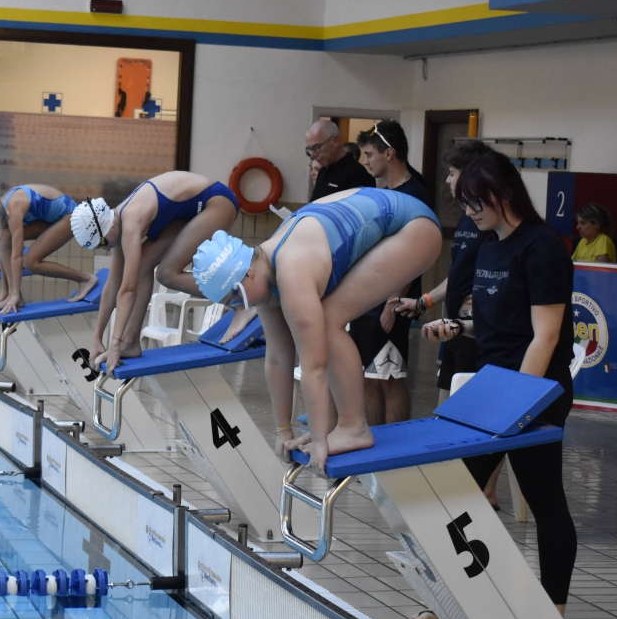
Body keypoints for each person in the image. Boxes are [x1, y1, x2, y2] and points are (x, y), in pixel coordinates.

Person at [420, 148, 577, 619]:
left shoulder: (542, 247)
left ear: (505, 194)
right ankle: (451, 601)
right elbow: (499, 325)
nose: (469, 213)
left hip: (535, 393)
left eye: (476, 202)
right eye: (464, 204)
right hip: (494, 388)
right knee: (456, 494)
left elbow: (545, 336)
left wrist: (518, 403)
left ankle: (553, 611)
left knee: (544, 497)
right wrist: (458, 328)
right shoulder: (489, 246)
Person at [191, 188, 440, 474]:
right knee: (325, 319)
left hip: (415, 228)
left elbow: (314, 366)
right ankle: (337, 426)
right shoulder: (264, 272)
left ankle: (353, 427)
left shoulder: (291, 269)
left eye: (236, 300)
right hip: (394, 222)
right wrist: (283, 430)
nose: (241, 307)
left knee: (328, 319)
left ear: (247, 273)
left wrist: (320, 441)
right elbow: (278, 358)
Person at [70, 171, 242, 376]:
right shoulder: (116, 224)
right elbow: (112, 286)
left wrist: (114, 344)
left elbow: (128, 290)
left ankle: (240, 299)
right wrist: (97, 338)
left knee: (166, 274)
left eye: (102, 243)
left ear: (109, 227)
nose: (105, 249)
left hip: (216, 202)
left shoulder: (130, 221)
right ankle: (130, 343)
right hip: (189, 211)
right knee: (144, 264)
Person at [345, 121, 432, 426]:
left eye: (369, 154)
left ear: (390, 154)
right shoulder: (383, 193)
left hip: (389, 304)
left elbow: (414, 256)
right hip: (368, 300)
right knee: (368, 378)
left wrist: (393, 302)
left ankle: (396, 447)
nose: (365, 161)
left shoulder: (414, 194)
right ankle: (373, 444)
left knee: (390, 378)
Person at [395, 140, 492, 406]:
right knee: (444, 406)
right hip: (454, 326)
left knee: (465, 409)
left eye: (452, 173)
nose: (448, 180)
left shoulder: (488, 224)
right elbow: (459, 275)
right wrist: (423, 302)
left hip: (475, 330)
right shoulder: (468, 217)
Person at [0, 181, 98, 315]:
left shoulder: (13, 207)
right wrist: (6, 292)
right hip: (49, 219)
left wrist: (15, 294)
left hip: (69, 216)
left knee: (30, 262)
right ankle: (15, 296)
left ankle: (85, 279)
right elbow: (4, 251)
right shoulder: (5, 215)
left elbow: (17, 255)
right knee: (4, 237)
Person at [307, 119, 374, 201]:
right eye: (310, 149)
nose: (313, 154)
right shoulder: (323, 171)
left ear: (335, 141)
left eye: (317, 147)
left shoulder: (358, 174)